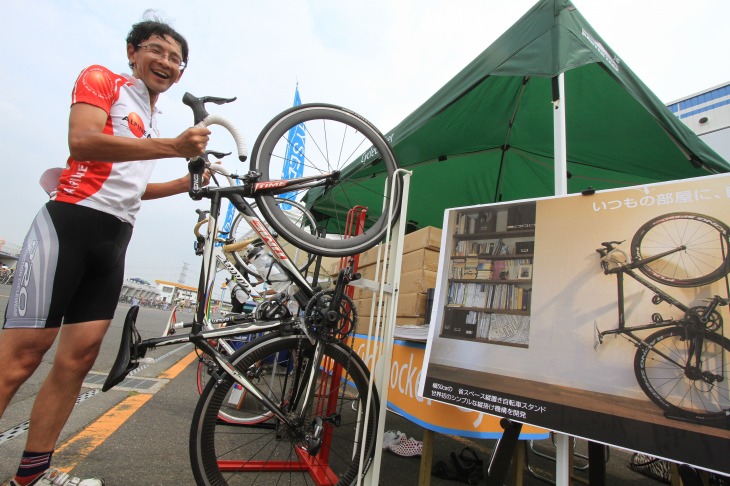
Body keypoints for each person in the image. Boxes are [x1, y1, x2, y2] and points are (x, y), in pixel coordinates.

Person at [0, 17, 211, 486]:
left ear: (181, 74)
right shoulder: (103, 79)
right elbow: (82, 141)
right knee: (21, 358)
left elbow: (129, 188)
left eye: (176, 59)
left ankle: (32, 476)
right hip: (69, 224)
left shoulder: (153, 116)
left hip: (115, 239)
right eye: (156, 50)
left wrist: (182, 181)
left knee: (77, 361)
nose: (166, 62)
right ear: (132, 52)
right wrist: (172, 147)